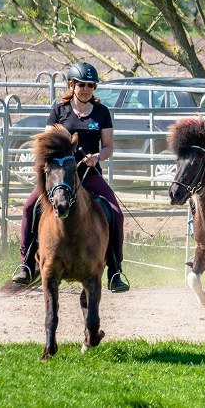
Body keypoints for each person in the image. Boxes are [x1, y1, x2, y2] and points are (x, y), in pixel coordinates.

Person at [11, 63, 129, 292]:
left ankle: (115, 270)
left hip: (88, 173)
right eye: (81, 85)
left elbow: (108, 148)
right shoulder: (59, 110)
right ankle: (25, 263)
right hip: (59, 176)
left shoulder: (102, 113)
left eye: (90, 85)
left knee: (116, 213)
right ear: (72, 85)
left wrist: (97, 157)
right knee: (28, 208)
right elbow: (47, 146)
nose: (86, 89)